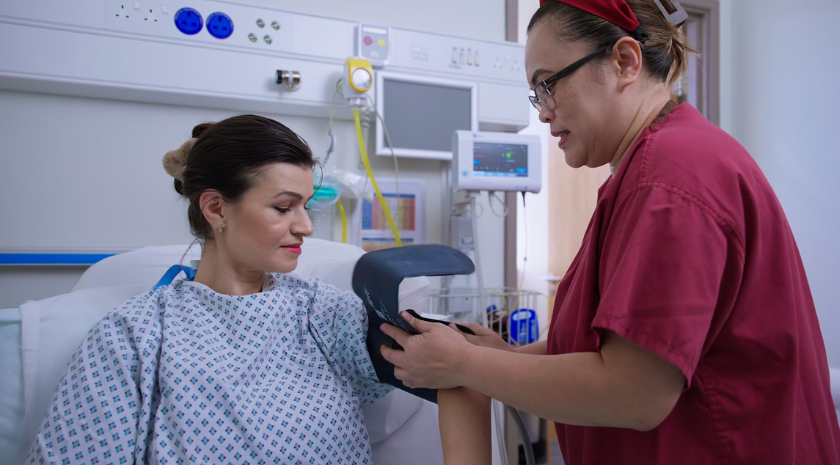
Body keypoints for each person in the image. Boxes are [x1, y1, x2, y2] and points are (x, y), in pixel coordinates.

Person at [379, 0, 840, 463]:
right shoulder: (657, 166)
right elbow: (610, 349)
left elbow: (635, 392)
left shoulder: (670, 180)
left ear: (624, 62)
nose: (542, 112)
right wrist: (504, 357)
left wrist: (468, 365)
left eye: (548, 85)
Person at [24, 114, 489, 464]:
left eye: (305, 206)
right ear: (215, 208)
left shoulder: (328, 314)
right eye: (283, 208)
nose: (305, 226)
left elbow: (451, 375)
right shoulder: (134, 338)